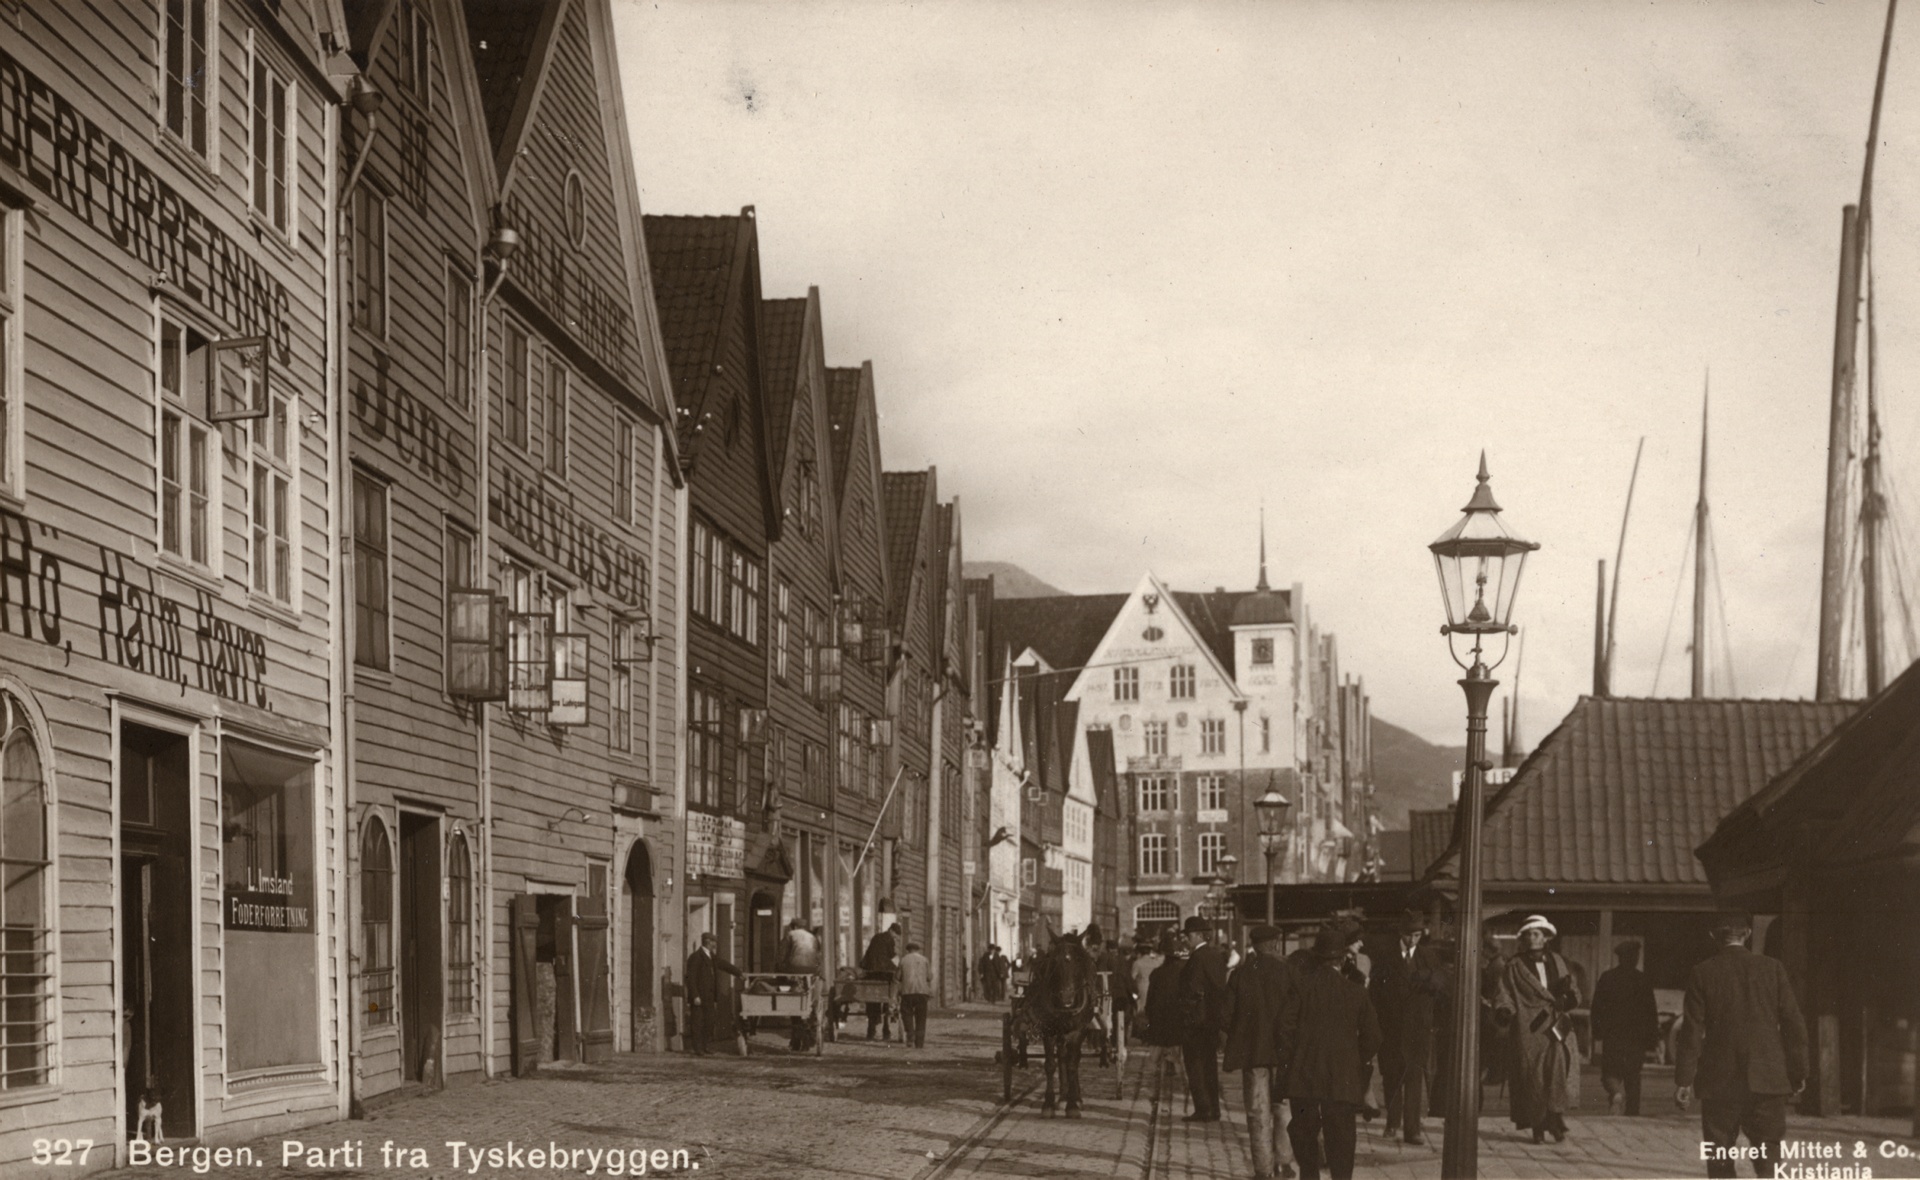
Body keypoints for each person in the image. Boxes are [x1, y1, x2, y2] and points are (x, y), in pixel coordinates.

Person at [1676, 911, 1807, 1179]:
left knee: (1720, 1154)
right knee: (1769, 1154)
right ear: (1747, 934)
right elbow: (1794, 1025)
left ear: (1714, 936)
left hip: (1719, 1082)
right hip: (1768, 1079)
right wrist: (1799, 1071)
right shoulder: (1773, 969)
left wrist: (1683, 1080)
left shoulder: (1702, 972)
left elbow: (1691, 1032)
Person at [1280, 921, 1381, 1180]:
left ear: (1317, 957)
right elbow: (1373, 1037)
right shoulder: (1356, 992)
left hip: (1304, 1077)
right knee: (1342, 1138)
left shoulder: (1300, 989)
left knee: (1303, 1132)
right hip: (1343, 1078)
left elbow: (1284, 1031)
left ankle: (1310, 1175)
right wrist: (1354, 1059)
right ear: (1342, 959)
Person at [1491, 914, 1581, 1144]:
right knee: (1534, 1078)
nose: (1533, 938)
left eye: (1537, 934)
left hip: (1557, 1026)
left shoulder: (1559, 962)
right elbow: (1504, 993)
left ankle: (1556, 1119)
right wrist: (1504, 1010)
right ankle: (1538, 1127)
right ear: (1523, 938)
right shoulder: (1514, 966)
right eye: (1529, 934)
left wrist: (1570, 998)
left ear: (1546, 938)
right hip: (1529, 1028)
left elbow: (1574, 989)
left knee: (1558, 1071)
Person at [1224, 925, 1297, 1180]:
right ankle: (1284, 1164)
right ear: (1276, 944)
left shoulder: (1240, 974)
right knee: (1284, 1109)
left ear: (1253, 945)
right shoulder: (1290, 971)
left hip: (1253, 1054)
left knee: (1258, 1112)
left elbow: (1226, 1016)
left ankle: (1263, 1171)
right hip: (1285, 1053)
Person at [1371, 910, 1447, 1145]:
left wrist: (1427, 978)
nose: (1412, 940)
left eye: (1416, 935)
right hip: (1392, 1028)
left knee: (1414, 1079)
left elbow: (1440, 983)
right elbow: (1376, 992)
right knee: (1392, 1078)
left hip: (1418, 1029)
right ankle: (1392, 1123)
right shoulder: (1385, 956)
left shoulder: (1428, 956)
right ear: (1400, 934)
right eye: (1408, 935)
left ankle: (1412, 1129)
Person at [1591, 941, 1660, 1115]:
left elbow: (1597, 1007)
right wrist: (1652, 1040)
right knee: (1633, 1077)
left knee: (1609, 1072)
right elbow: (1651, 1012)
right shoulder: (1642, 979)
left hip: (1613, 1036)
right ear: (1635, 958)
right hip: (1636, 1039)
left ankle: (1615, 1093)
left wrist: (1597, 1032)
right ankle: (1632, 1114)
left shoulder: (1607, 978)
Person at [1179, 915, 1230, 1122]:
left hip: (1196, 1021)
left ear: (1199, 935)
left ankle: (1203, 1109)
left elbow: (1193, 989)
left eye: (1188, 935)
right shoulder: (1216, 955)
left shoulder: (1197, 958)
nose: (1186, 939)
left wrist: (1185, 1010)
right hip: (1210, 1021)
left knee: (1195, 1066)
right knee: (1209, 1066)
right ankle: (1214, 1108)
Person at [1141, 930, 1190, 1109]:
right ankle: (1185, 1096)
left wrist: (1149, 1017)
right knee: (1180, 1057)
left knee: (1154, 1058)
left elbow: (1150, 1000)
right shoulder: (1185, 972)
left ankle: (1152, 1093)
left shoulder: (1157, 973)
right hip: (1178, 1023)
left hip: (1159, 1024)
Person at [684, 933, 741, 1056]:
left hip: (709, 996)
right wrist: (695, 995)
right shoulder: (696, 957)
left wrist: (738, 973)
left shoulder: (711, 956)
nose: (715, 944)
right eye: (714, 942)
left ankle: (704, 1046)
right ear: (708, 942)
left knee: (709, 1022)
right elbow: (691, 978)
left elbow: (724, 965)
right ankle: (697, 1048)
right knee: (698, 1022)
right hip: (699, 996)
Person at [861, 922, 901, 1041]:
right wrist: (898, 963)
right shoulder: (889, 939)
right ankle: (886, 1029)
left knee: (872, 1000)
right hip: (884, 972)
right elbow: (891, 955)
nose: (895, 937)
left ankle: (871, 1030)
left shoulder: (876, 937)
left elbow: (868, 953)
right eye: (895, 935)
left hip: (872, 971)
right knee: (888, 997)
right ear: (892, 931)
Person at [898, 940, 933, 1048]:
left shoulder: (903, 960)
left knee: (906, 1013)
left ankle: (910, 1034)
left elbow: (897, 977)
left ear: (908, 950)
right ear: (918, 950)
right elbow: (929, 977)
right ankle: (919, 1043)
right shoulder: (924, 960)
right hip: (922, 992)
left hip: (907, 992)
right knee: (921, 1017)